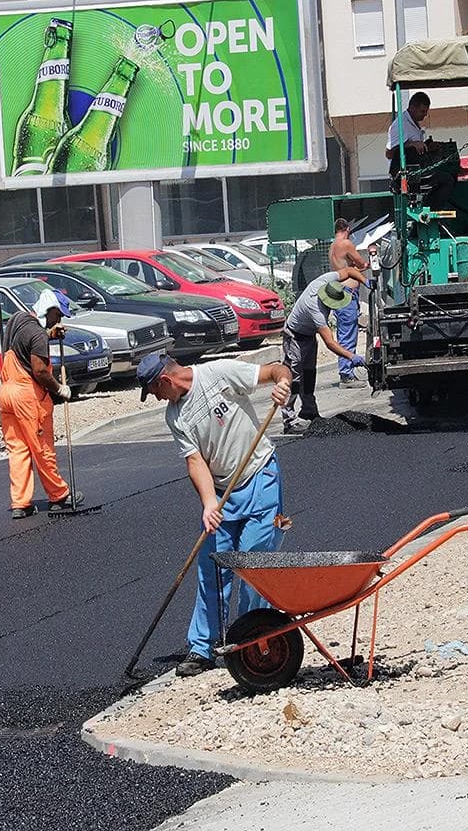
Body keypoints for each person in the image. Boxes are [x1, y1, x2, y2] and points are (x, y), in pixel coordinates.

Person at [137, 352, 294, 677]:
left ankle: (249, 639)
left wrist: (283, 383)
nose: (155, 398)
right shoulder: (175, 416)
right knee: (212, 567)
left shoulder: (219, 374)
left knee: (253, 566)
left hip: (259, 476)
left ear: (164, 380)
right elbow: (195, 462)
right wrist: (209, 503)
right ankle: (202, 647)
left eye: (154, 390)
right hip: (222, 493)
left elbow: (276, 370)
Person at [0, 290, 76, 519]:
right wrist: (59, 388)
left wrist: (49, 334)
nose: (59, 320)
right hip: (27, 396)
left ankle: (20, 503)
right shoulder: (37, 334)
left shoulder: (18, 320)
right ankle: (58, 496)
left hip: (6, 392)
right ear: (49, 310)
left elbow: (26, 343)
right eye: (58, 315)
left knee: (18, 449)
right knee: (42, 447)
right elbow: (40, 370)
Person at [282, 266, 369, 433]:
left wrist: (365, 281)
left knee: (309, 374)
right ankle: (289, 421)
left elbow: (350, 270)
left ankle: (309, 411)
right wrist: (352, 357)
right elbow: (330, 343)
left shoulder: (327, 280)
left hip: (308, 336)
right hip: (294, 337)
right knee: (293, 379)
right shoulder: (316, 310)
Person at [386, 92, 455, 210]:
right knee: (447, 180)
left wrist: (427, 146)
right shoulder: (400, 125)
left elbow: (415, 149)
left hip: (417, 172)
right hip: (407, 176)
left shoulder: (412, 124)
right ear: (413, 107)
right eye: (422, 111)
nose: (425, 115)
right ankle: (432, 211)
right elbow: (389, 153)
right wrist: (412, 144)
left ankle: (430, 207)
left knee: (449, 173)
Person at [329, 218, 369, 389]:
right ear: (348, 229)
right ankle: (346, 374)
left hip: (339, 292)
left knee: (343, 333)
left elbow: (347, 268)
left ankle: (347, 372)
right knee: (347, 334)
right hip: (347, 294)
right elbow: (361, 263)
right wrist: (365, 264)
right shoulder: (345, 243)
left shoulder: (332, 245)